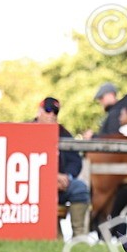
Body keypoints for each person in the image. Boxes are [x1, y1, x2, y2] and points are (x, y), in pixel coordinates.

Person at [35, 97, 91, 239]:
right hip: (35, 186)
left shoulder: (64, 133)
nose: (52, 115)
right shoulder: (27, 130)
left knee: (80, 188)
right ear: (39, 111)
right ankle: (55, 237)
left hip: (61, 184)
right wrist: (51, 177)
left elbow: (75, 161)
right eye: (48, 110)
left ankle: (79, 238)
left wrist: (67, 177)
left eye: (55, 112)